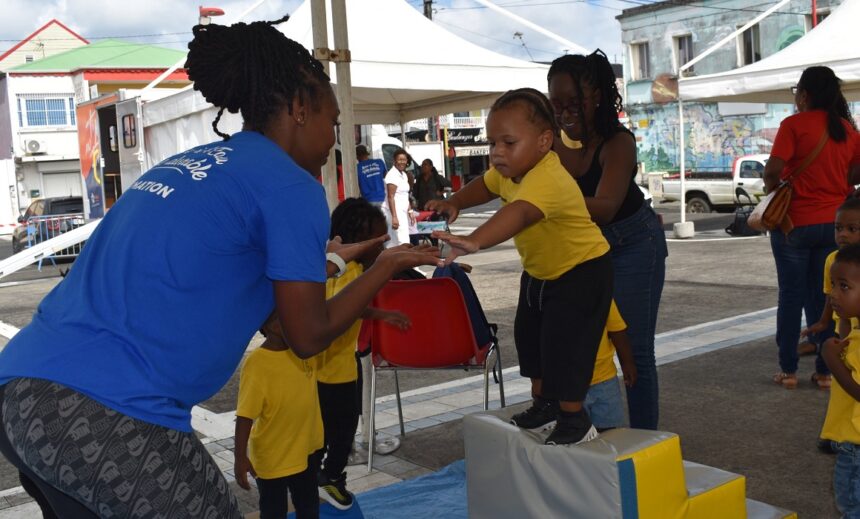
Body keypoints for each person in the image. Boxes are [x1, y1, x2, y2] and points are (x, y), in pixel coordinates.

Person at [0, 17, 437, 517]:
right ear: (300, 109)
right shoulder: (292, 186)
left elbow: (265, 312)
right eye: (333, 123)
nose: (333, 140)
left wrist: (333, 261)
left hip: (21, 387)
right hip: (105, 409)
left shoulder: (194, 165)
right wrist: (386, 266)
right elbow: (306, 334)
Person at [429, 88, 613, 445]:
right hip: (541, 273)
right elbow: (485, 186)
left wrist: (476, 240)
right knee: (530, 339)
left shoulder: (547, 177)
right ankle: (544, 405)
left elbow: (520, 213)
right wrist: (456, 202)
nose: (497, 152)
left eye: (509, 142)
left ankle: (573, 417)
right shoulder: (509, 171)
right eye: (492, 142)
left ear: (544, 141)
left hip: (583, 271)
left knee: (566, 346)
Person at [548, 49, 668, 430]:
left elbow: (605, 207)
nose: (564, 113)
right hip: (592, 250)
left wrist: (549, 202)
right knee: (584, 344)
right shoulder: (561, 144)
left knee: (635, 349)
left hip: (635, 244)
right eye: (556, 104)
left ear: (596, 97)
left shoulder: (618, 142)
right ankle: (591, 433)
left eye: (573, 103)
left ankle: (645, 441)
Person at [764, 65, 860, 391]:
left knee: (791, 296)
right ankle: (824, 372)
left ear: (804, 95)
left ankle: (788, 370)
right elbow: (856, 173)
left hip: (794, 225)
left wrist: (776, 193)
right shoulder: (846, 130)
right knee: (829, 295)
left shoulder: (793, 125)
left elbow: (772, 171)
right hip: (835, 225)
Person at [316, 198, 410, 510]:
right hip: (333, 373)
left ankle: (322, 477)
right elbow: (337, 311)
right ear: (359, 242)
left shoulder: (345, 267)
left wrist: (382, 315)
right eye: (378, 242)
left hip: (339, 366)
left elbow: (350, 306)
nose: (382, 249)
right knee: (340, 433)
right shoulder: (349, 271)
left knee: (332, 431)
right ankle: (329, 478)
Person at [234, 314, 323, 519]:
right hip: (272, 457)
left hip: (305, 450)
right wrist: (240, 457)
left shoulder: (305, 351)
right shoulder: (257, 363)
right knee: (273, 511)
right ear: (270, 325)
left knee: (309, 507)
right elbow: (245, 416)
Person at [820, 244, 860, 517]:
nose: (833, 293)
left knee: (852, 507)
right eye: (834, 284)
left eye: (844, 286)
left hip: (856, 448)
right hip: (851, 442)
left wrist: (831, 360)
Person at [585, 300, 637, 432]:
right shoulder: (554, 296)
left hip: (605, 381)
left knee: (608, 434)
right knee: (575, 435)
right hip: (569, 383)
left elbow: (617, 330)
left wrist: (627, 363)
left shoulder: (602, 296)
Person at [382, 148, 414, 247]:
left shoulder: (404, 175)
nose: (402, 162)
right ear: (394, 161)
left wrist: (410, 211)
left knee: (402, 240)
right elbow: (390, 197)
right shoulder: (392, 175)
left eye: (404, 160)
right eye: (400, 159)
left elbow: (405, 195)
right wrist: (394, 217)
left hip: (403, 212)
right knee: (400, 241)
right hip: (394, 212)